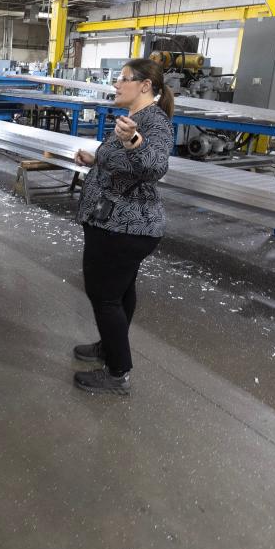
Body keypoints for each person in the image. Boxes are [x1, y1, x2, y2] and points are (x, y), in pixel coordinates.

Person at [71, 58, 174, 395]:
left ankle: (118, 374)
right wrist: (97, 158)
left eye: (123, 79)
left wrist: (132, 141)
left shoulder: (153, 122)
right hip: (115, 223)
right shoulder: (136, 118)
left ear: (145, 85)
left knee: (104, 297)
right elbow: (125, 163)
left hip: (124, 227)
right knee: (120, 293)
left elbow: (157, 166)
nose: (116, 84)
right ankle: (110, 347)